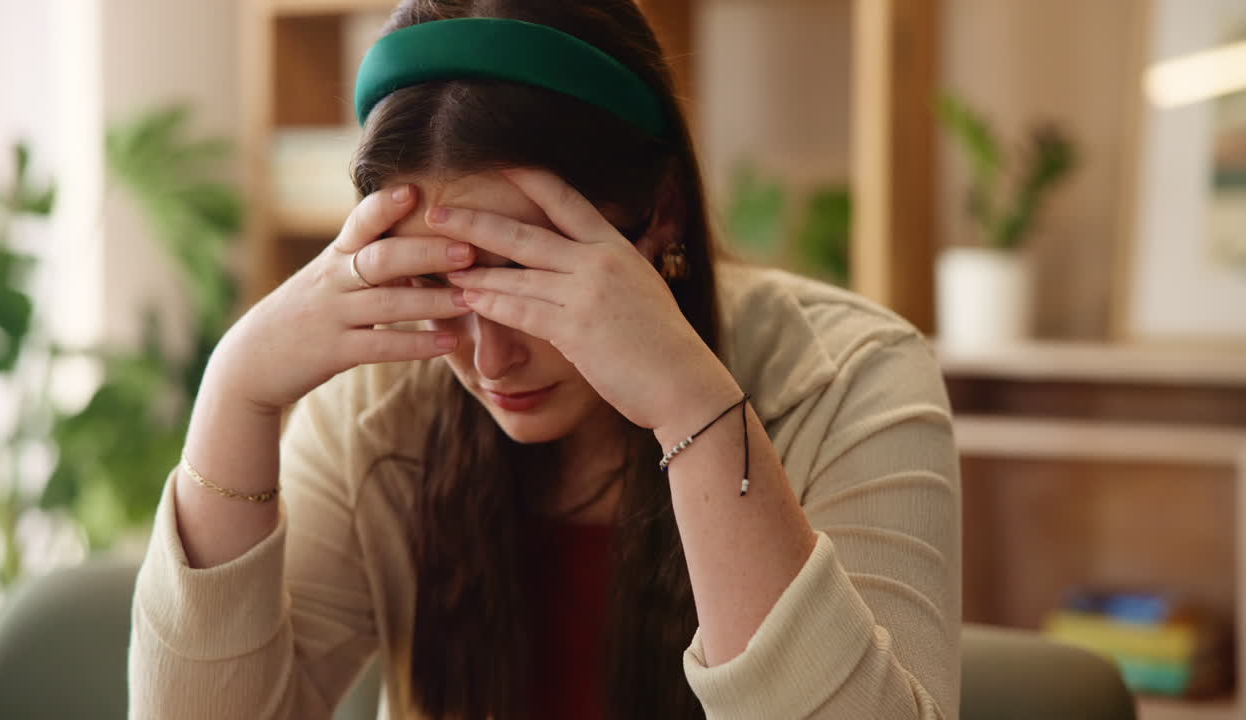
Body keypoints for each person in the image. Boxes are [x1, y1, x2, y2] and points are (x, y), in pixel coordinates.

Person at [127, 1, 961, 718]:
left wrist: (691, 404)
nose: (490, 358)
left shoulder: (850, 379)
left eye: (529, 277)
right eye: (438, 281)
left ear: (662, 213)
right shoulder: (383, 403)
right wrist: (235, 390)